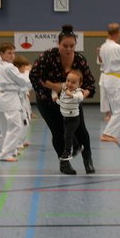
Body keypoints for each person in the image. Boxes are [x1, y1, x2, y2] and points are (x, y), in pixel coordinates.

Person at [29, 25, 97, 174]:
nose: (68, 49)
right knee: (59, 131)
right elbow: (34, 75)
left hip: (72, 101)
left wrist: (82, 95)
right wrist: (54, 86)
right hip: (47, 100)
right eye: (65, 46)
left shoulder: (79, 60)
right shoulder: (48, 56)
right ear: (58, 44)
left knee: (81, 130)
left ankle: (88, 160)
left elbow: (90, 84)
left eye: (72, 46)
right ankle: (64, 163)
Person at [0, 43, 31, 163]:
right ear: (1, 54)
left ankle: (11, 150)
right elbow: (23, 81)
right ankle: (5, 153)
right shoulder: (9, 67)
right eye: (9, 53)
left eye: (13, 53)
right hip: (10, 98)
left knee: (5, 127)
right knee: (16, 126)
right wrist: (27, 72)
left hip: (1, 97)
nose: (12, 56)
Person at [54, 70, 85, 174]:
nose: (69, 84)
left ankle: (67, 152)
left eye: (73, 82)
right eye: (68, 81)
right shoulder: (65, 91)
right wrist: (57, 100)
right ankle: (77, 146)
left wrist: (72, 95)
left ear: (79, 84)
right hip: (66, 117)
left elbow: (80, 98)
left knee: (67, 135)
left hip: (74, 119)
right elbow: (63, 101)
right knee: (69, 134)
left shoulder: (78, 92)